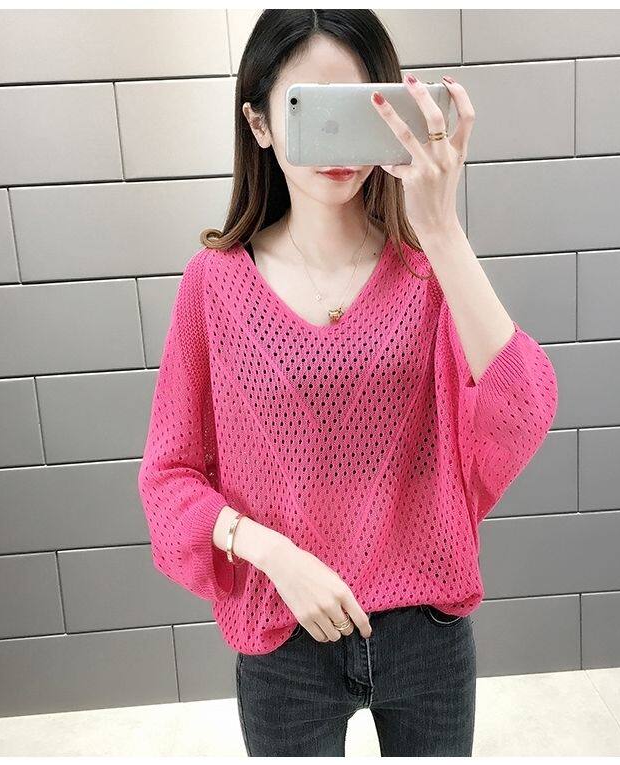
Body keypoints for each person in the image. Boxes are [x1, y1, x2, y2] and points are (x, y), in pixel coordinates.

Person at [137, 9, 558, 758]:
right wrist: (273, 553)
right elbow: (169, 478)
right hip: (284, 641)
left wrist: (442, 228)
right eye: (311, 107)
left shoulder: (429, 272)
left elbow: (521, 409)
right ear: (259, 124)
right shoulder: (214, 285)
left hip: (426, 634)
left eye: (362, 105)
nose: (339, 139)